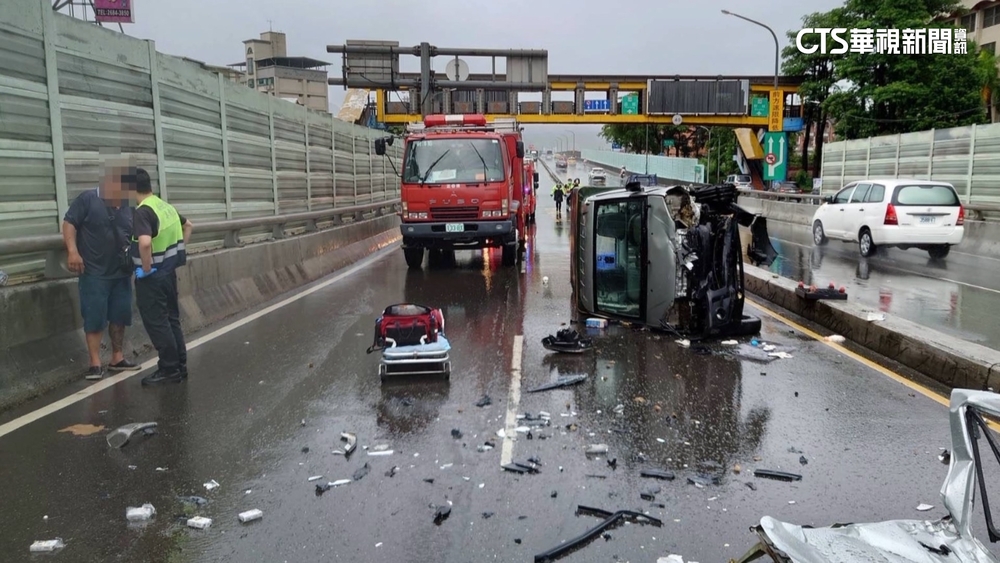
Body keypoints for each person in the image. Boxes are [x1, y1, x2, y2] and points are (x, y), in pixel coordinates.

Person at [62, 164, 142, 379]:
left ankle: (117, 357)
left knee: (120, 315)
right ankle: (95, 363)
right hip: (94, 272)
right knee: (94, 316)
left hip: (121, 273)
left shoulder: (126, 206)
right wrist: (72, 251)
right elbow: (69, 224)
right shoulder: (87, 199)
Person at [130, 168, 194, 386]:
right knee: (172, 319)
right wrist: (176, 253)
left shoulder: (143, 211)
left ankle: (168, 369)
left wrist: (146, 269)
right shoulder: (165, 207)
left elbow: (145, 243)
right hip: (168, 274)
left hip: (152, 278)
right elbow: (188, 226)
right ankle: (180, 365)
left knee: (157, 322)